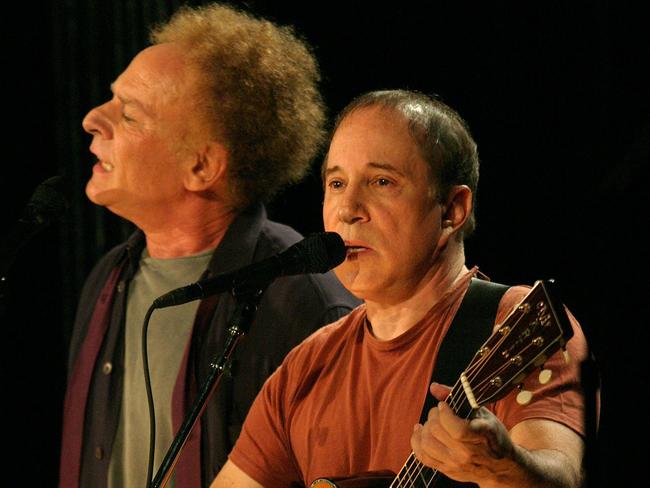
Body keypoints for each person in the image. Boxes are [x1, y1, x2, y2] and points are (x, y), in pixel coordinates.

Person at [210, 89, 594, 488]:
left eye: (381, 181)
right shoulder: (306, 366)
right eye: (337, 183)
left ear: (452, 210)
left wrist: (505, 467)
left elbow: (560, 473)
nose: (348, 209)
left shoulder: (516, 323)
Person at [59, 3, 361, 488]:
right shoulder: (109, 276)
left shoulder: (303, 301)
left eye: (129, 114)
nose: (93, 119)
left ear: (201, 167)